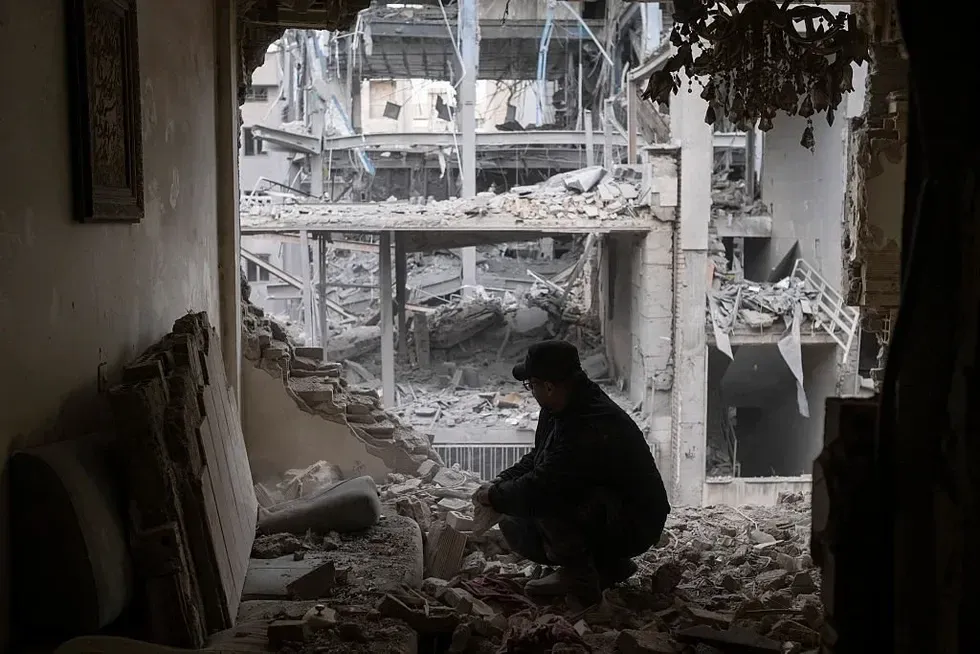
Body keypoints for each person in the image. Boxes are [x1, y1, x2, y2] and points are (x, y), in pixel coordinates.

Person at [474, 340, 670, 605]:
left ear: (550, 386)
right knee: (513, 518)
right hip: (608, 510)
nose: (530, 392)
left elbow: (545, 486)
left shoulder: (589, 423)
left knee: (545, 500)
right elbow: (539, 458)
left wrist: (497, 495)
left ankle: (581, 578)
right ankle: (608, 567)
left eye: (531, 385)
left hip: (635, 523)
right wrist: (501, 481)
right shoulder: (560, 408)